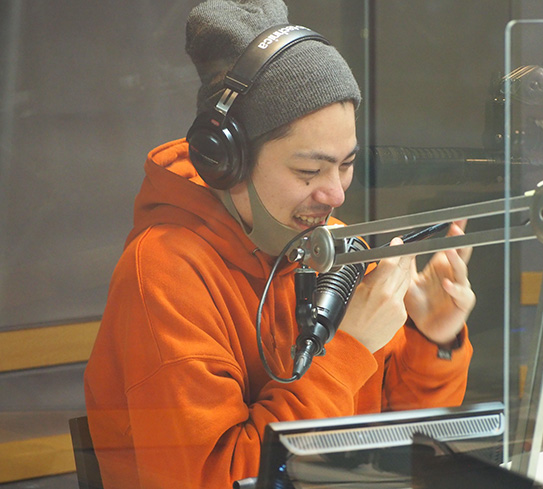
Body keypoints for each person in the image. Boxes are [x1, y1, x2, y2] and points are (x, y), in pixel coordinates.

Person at [84, 1, 475, 488]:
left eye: (346, 165)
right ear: (226, 162)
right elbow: (217, 480)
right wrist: (350, 349)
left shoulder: (334, 252)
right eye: (309, 170)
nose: (336, 194)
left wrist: (432, 341)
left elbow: (406, 453)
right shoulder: (164, 275)